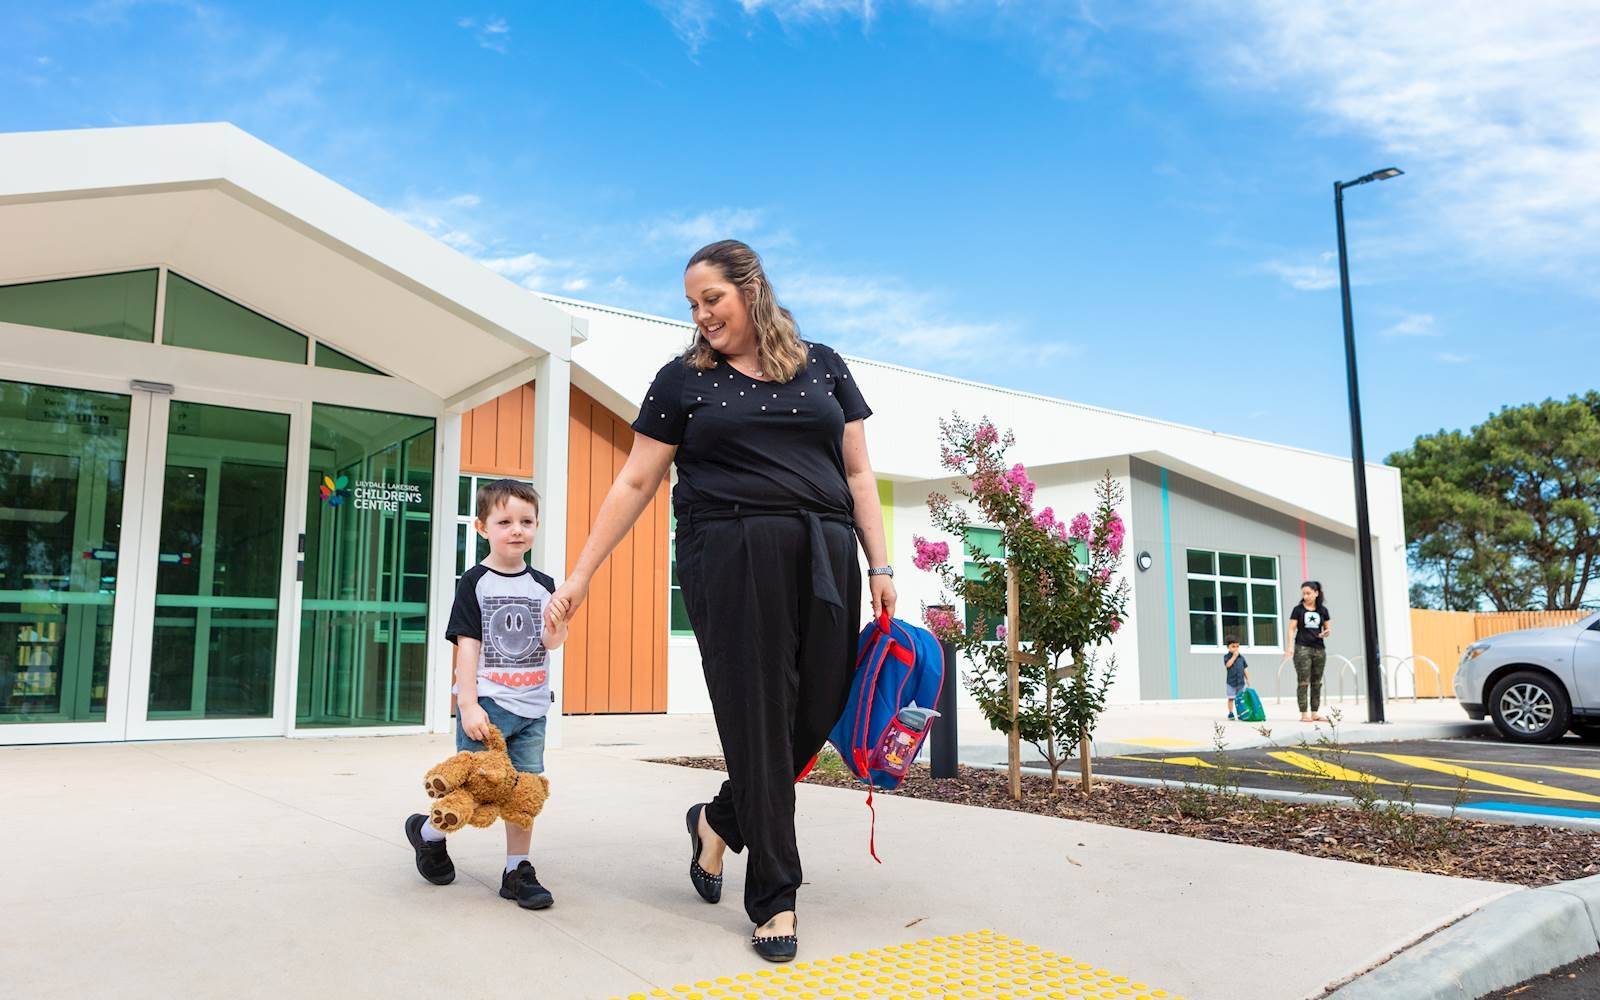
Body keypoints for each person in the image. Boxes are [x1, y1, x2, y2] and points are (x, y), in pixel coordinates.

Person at [544, 239, 895, 963]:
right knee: (759, 718)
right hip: (729, 553)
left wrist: (880, 561)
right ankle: (775, 897)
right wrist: (579, 574)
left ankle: (716, 821)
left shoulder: (824, 365)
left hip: (827, 551)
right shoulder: (683, 381)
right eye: (693, 305)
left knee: (821, 703)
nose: (702, 315)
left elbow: (858, 473)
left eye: (713, 299)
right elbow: (635, 483)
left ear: (752, 288)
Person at [404, 478, 569, 909]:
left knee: (524, 791)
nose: (517, 530)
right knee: (475, 789)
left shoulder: (545, 584)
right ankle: (428, 834)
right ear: (482, 527)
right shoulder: (475, 582)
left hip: (533, 706)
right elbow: (467, 647)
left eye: (526, 521)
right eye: (505, 521)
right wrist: (468, 703)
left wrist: (559, 627)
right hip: (489, 705)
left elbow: (551, 643)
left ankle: (517, 870)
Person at [1286, 580, 1331, 723]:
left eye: (1308, 593)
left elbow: (1327, 629)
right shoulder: (1298, 610)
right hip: (1302, 648)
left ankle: (1315, 712)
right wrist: (1290, 646)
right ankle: (1304, 713)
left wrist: (1326, 633)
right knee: (1303, 681)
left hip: (1319, 648)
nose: (1305, 596)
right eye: (1303, 593)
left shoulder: (1323, 610)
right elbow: (1291, 628)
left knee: (1317, 682)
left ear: (1316, 593)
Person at [1222, 636, 1248, 720]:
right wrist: (1234, 657)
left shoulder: (1241, 658)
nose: (1236, 648)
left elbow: (1245, 669)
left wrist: (1247, 679)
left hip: (1241, 682)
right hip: (1231, 682)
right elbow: (1228, 665)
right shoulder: (1227, 657)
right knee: (1231, 698)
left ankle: (1241, 713)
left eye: (1237, 646)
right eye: (1233, 646)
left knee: (1241, 698)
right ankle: (1230, 712)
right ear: (1228, 647)